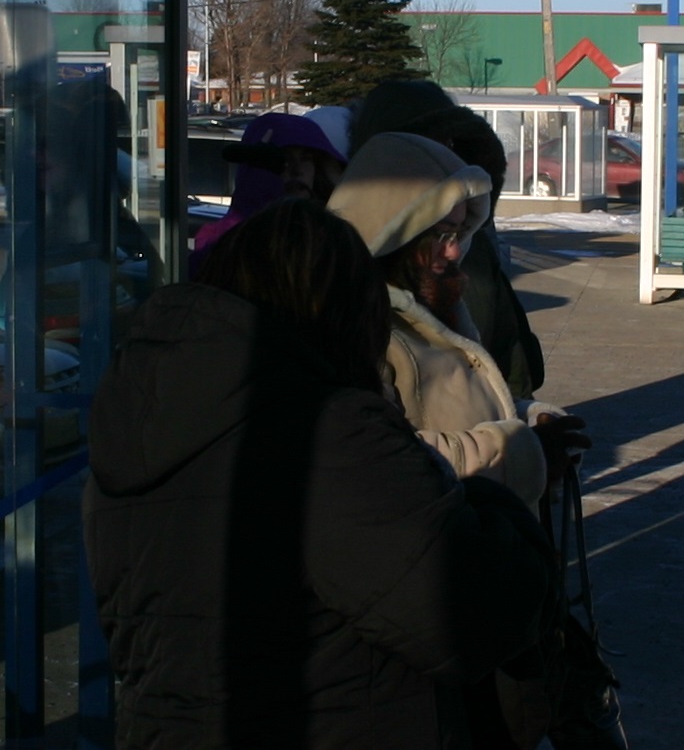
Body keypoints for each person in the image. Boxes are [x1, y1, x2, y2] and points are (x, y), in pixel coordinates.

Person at [84, 199, 555, 747]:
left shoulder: (140, 422)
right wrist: (487, 501)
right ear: (344, 312)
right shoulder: (328, 433)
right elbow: (473, 617)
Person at [326, 131, 583, 514]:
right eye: (441, 233)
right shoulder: (360, 325)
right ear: (396, 230)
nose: (453, 250)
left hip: (468, 542)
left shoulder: (430, 304)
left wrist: (531, 417)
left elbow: (463, 403)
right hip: (428, 554)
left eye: (461, 233)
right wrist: (525, 453)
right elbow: (385, 457)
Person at [351, 79, 546, 399]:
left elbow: (508, 366)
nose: (442, 161)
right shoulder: (343, 268)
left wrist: (528, 425)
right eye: (424, 148)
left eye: (450, 145)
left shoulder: (474, 247)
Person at [190, 109, 352, 269]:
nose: (297, 171)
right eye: (283, 159)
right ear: (257, 167)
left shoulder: (333, 236)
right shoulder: (223, 237)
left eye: (306, 159)